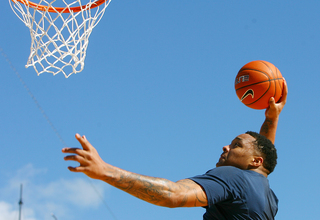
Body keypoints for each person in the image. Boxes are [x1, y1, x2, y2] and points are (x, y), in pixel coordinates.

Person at [62, 80, 288, 220]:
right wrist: (272, 119)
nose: (226, 146)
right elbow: (263, 157)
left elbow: (173, 194)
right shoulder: (267, 195)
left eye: (236, 145)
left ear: (255, 161)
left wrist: (105, 171)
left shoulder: (233, 176)